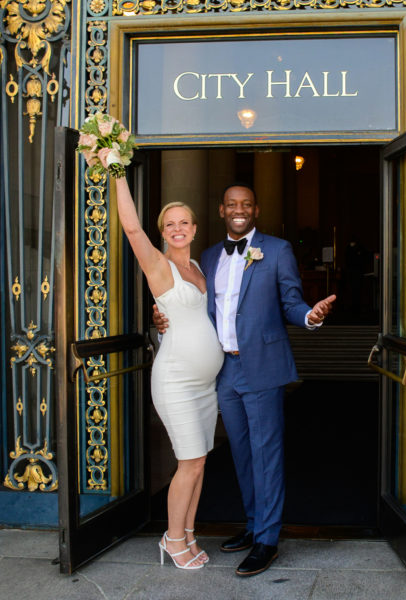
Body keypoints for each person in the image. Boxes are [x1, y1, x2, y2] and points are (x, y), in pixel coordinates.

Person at [154, 182, 336, 577]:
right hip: (223, 369)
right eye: (232, 204)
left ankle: (267, 541)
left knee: (266, 454)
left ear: (255, 210)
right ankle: (254, 525)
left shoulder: (276, 249)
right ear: (221, 211)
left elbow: (290, 300)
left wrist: (310, 316)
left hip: (263, 367)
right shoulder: (206, 256)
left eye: (247, 204)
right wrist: (162, 321)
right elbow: (194, 311)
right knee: (240, 452)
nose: (239, 209)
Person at [98, 148, 224, 570]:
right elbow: (132, 229)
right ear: (162, 232)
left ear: (194, 228)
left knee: (201, 461)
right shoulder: (159, 266)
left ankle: (188, 532)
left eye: (183, 223)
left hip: (206, 386)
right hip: (176, 381)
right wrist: (117, 168)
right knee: (187, 462)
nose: (176, 229)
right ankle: (171, 540)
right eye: (168, 225)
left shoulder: (202, 271)